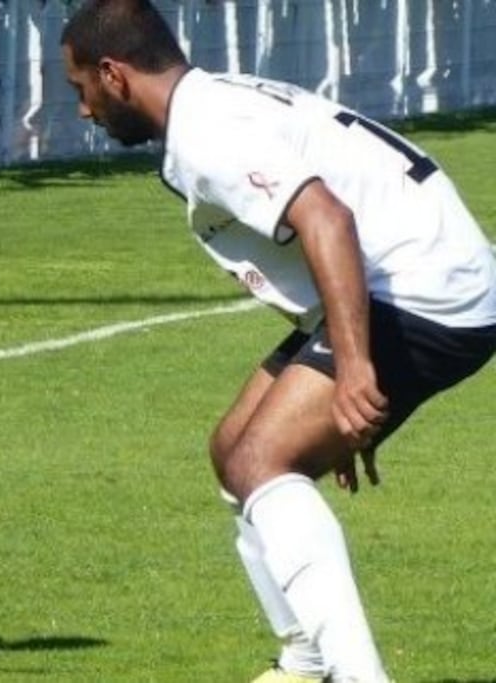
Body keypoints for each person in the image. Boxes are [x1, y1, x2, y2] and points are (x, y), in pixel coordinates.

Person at [60, 1, 496, 682]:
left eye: (79, 88)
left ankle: (356, 676)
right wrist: (330, 395)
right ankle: (306, 659)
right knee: (234, 447)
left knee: (264, 458)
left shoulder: (210, 132)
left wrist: (352, 373)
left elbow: (326, 220)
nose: (83, 109)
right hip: (414, 274)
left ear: (113, 74)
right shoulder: (211, 102)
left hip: (430, 288)